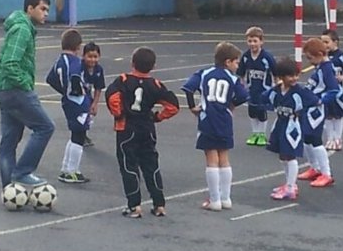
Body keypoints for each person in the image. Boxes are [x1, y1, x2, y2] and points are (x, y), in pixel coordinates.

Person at [106, 47, 179, 218]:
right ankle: (159, 204)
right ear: (153, 66)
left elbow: (112, 97)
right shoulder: (155, 84)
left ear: (132, 63)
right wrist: (158, 117)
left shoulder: (123, 80)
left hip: (127, 128)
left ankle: (134, 205)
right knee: (151, 165)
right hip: (147, 128)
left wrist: (119, 113)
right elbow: (173, 106)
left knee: (128, 166)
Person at [0, 0, 55, 188]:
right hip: (14, 89)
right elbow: (10, 62)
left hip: (4, 90)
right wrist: (25, 84)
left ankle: (9, 190)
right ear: (30, 8)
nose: (46, 14)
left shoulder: (20, 27)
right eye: (42, 9)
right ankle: (23, 171)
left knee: (10, 140)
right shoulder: (23, 30)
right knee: (45, 127)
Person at [182, 41, 249, 211]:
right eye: (236, 62)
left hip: (207, 119)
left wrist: (192, 107)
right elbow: (243, 96)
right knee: (224, 158)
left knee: (211, 158)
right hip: (225, 119)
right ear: (227, 62)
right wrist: (231, 105)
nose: (237, 65)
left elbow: (188, 88)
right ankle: (226, 198)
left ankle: (214, 199)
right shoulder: (233, 78)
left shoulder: (204, 73)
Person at [262, 57, 319, 200]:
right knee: (282, 155)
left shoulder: (299, 92)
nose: (294, 78)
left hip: (292, 127)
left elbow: (315, 101)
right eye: (290, 75)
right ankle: (288, 183)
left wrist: (303, 112)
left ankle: (291, 187)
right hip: (280, 124)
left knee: (290, 154)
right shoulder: (275, 91)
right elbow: (264, 98)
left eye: (296, 75)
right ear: (281, 77)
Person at [46, 29, 90, 184]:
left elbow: (50, 78)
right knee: (79, 136)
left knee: (75, 135)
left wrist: (63, 91)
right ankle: (72, 171)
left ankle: (66, 169)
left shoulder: (59, 60)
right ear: (78, 47)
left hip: (68, 101)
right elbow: (75, 78)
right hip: (78, 103)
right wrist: (80, 91)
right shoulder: (75, 62)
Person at [297, 38, 338, 188]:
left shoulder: (327, 69)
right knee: (306, 138)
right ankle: (315, 167)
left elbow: (334, 90)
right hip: (309, 108)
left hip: (316, 111)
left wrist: (320, 100)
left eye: (310, 57)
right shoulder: (320, 68)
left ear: (320, 54)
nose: (309, 61)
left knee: (315, 139)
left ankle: (326, 173)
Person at [236, 26, 276, 146]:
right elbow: (241, 73)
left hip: (264, 90)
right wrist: (242, 86)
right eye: (250, 41)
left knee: (261, 112)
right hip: (251, 89)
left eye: (255, 41)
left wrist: (275, 86)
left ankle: (261, 133)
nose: (252, 44)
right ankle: (254, 132)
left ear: (261, 41)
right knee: (252, 112)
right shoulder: (246, 57)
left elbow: (275, 72)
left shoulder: (267, 57)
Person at [321, 29, 343, 151]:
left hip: (338, 91)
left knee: (337, 116)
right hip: (326, 91)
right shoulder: (322, 57)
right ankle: (330, 138)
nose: (324, 45)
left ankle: (338, 138)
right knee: (327, 115)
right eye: (322, 42)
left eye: (327, 42)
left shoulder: (342, 57)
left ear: (335, 42)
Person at [81, 41, 105, 148]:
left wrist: (95, 103)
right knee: (80, 117)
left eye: (95, 57)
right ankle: (79, 135)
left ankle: (83, 134)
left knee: (88, 115)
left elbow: (98, 87)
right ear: (83, 56)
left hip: (87, 95)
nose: (92, 59)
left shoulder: (98, 69)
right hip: (77, 96)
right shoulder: (79, 67)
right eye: (89, 56)